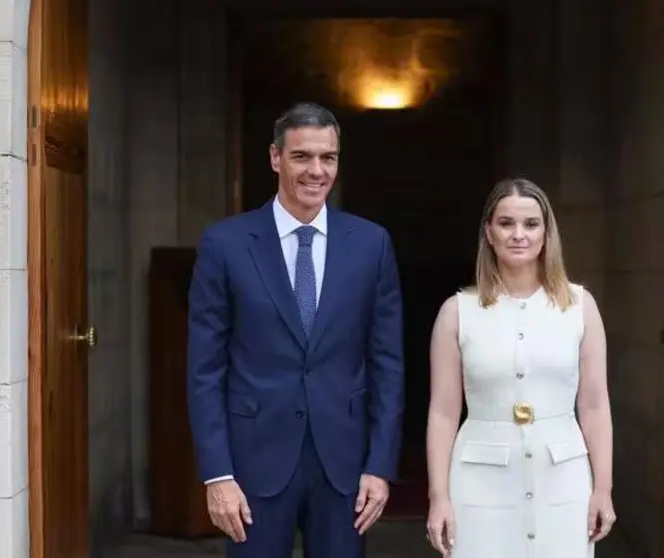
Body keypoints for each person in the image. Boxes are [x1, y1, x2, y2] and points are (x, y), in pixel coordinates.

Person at [186, 102, 405, 558]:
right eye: (302, 156)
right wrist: (217, 474)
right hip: (252, 466)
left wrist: (380, 466)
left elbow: (387, 364)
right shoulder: (225, 244)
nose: (317, 171)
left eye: (328, 157)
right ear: (275, 158)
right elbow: (204, 369)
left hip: (344, 468)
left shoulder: (371, 244)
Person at [424, 178, 616, 557]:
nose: (518, 235)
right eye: (506, 223)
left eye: (531, 224)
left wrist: (603, 490)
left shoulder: (579, 306)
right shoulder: (456, 312)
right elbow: (443, 413)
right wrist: (438, 496)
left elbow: (594, 405)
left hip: (563, 478)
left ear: (547, 234)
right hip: (480, 481)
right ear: (489, 233)